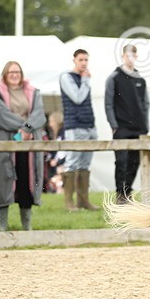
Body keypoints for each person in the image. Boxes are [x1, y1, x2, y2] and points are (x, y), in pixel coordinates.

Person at [0, 61, 46, 231]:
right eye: (11, 72)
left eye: (17, 72)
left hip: (27, 144)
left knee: (26, 182)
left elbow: (39, 113)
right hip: (5, 142)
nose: (15, 75)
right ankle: (2, 225)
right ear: (5, 74)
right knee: (3, 180)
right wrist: (24, 126)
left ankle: (27, 226)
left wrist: (27, 129)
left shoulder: (33, 93)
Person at [105, 44, 149, 203]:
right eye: (128, 55)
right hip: (121, 128)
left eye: (133, 55)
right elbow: (108, 103)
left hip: (138, 129)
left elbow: (145, 104)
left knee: (135, 162)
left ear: (136, 57)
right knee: (121, 162)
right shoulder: (114, 77)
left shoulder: (140, 79)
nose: (130, 58)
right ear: (123, 56)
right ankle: (120, 194)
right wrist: (114, 125)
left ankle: (127, 192)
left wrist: (145, 125)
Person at [60, 49, 98, 211]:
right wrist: (85, 81)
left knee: (85, 163)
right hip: (74, 126)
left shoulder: (84, 79)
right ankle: (69, 202)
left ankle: (83, 200)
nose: (84, 63)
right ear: (74, 60)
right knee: (72, 162)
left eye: (86, 60)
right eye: (81, 59)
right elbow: (77, 98)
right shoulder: (67, 77)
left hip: (89, 125)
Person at [43, 111, 65, 194]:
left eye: (51, 122)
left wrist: (57, 161)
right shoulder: (54, 134)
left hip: (61, 164)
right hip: (56, 163)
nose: (50, 124)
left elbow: (63, 149)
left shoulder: (63, 133)